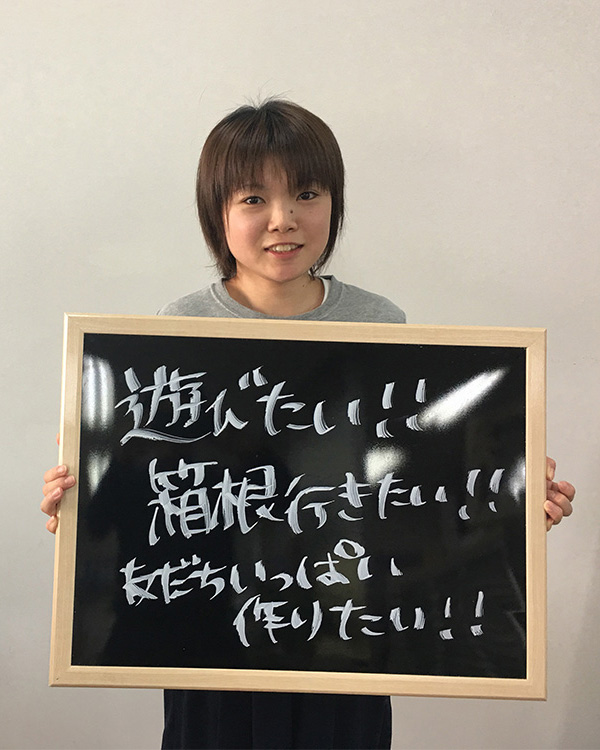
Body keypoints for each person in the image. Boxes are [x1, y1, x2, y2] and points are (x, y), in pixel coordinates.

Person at [41, 99, 576, 749]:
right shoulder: (176, 329)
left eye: (306, 194)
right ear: (216, 212)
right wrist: (78, 503)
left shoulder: (381, 325)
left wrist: (511, 496)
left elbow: (408, 480)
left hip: (344, 634)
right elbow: (152, 495)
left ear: (334, 203)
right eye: (253, 199)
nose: (283, 219)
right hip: (210, 639)